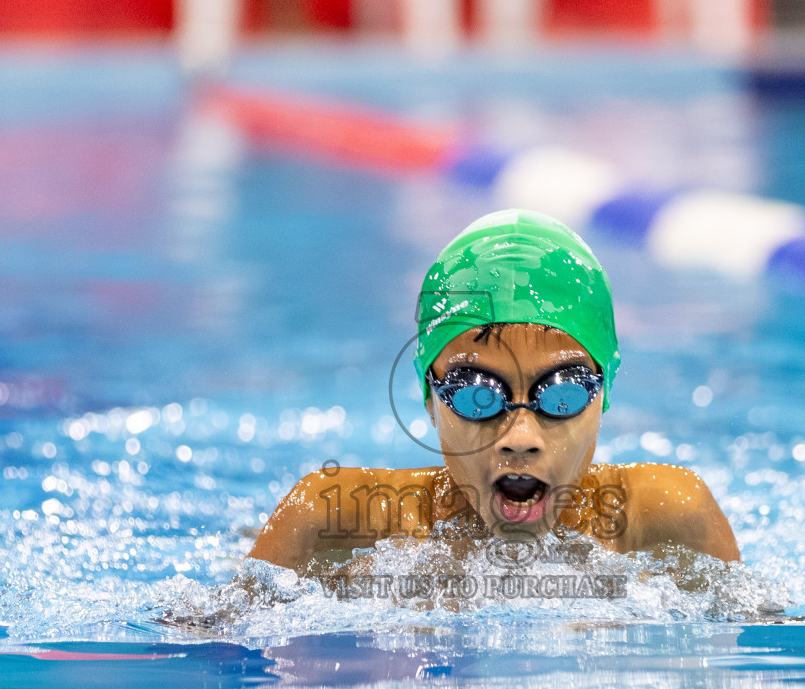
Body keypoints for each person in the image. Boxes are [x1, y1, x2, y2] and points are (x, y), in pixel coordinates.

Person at [248, 208, 739, 578]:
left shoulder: (670, 520)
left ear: (603, 395)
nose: (520, 436)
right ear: (429, 400)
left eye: (561, 393)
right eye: (476, 395)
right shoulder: (333, 524)